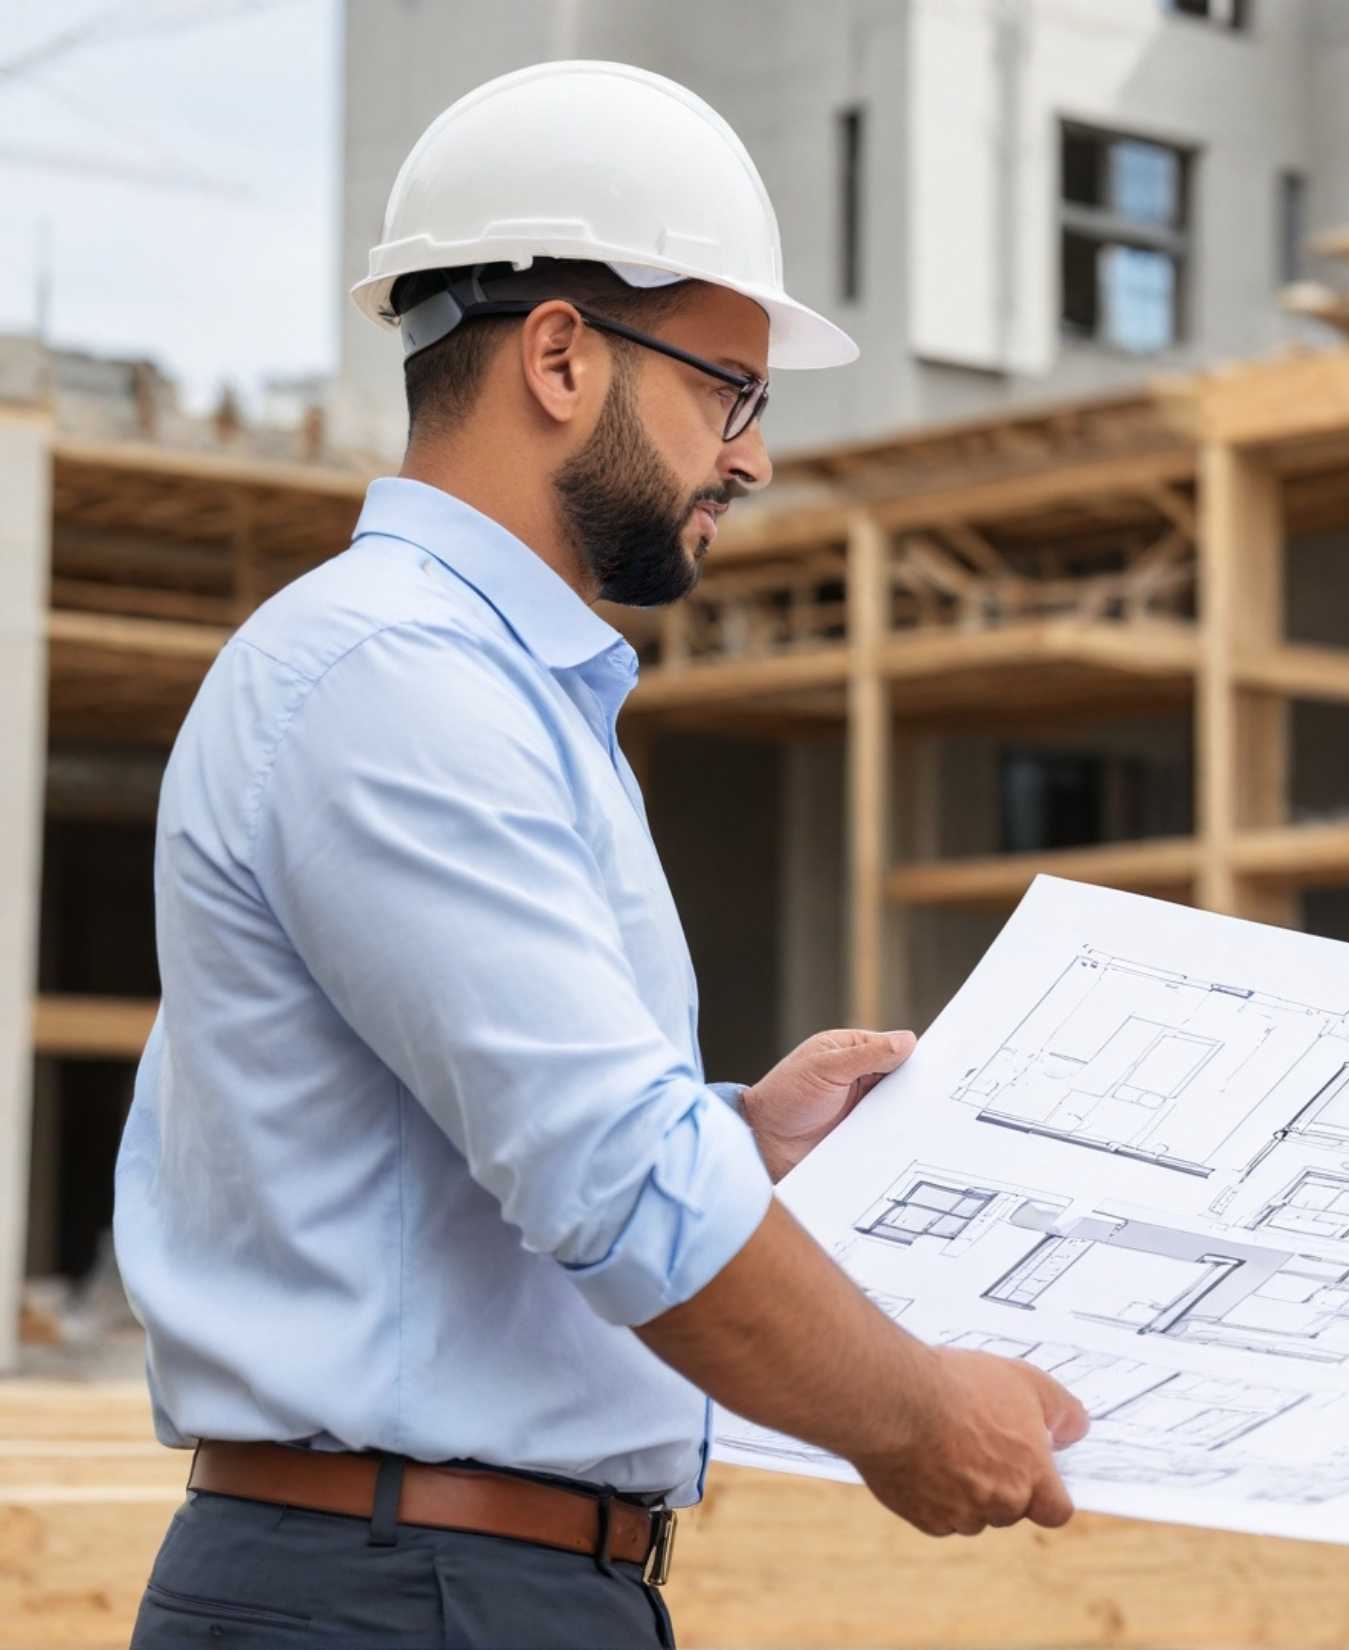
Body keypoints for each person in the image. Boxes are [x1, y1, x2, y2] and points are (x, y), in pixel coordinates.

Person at [114, 61, 1087, 1649]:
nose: (752, 458)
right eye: (730, 389)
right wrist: (917, 1415)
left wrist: (738, 1137)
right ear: (562, 356)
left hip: (447, 1578)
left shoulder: (486, 688)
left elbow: (491, 1132)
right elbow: (613, 1180)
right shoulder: (393, 676)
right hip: (397, 1592)